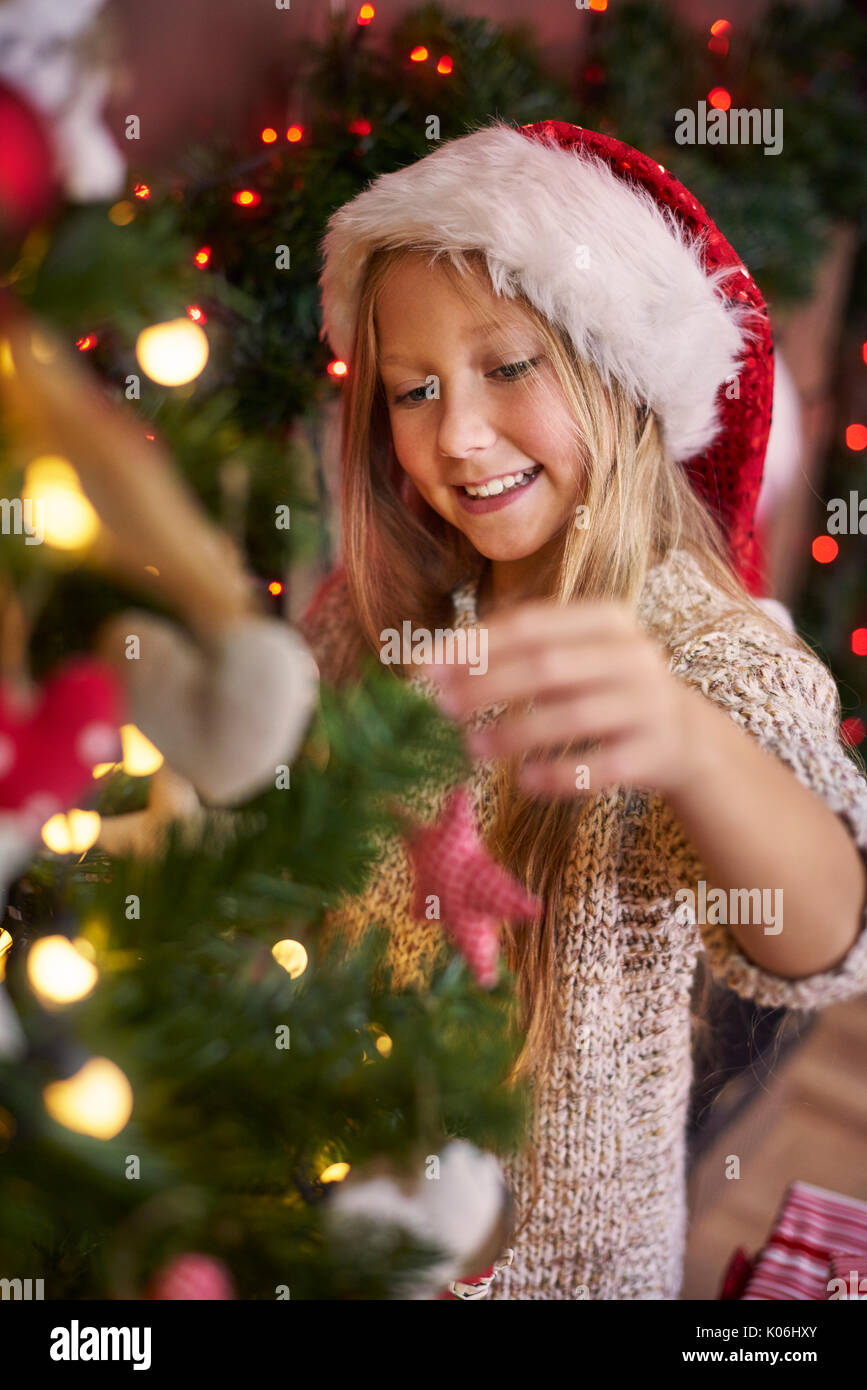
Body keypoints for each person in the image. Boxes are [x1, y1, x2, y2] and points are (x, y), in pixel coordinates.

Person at [301, 119, 867, 1300]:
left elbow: (827, 936)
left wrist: (688, 744)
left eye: (509, 367)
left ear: (620, 368)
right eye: (412, 390)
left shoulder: (708, 655)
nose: (455, 434)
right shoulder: (381, 630)